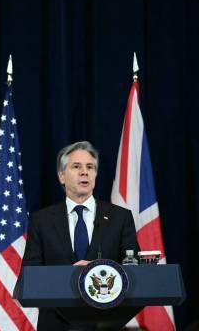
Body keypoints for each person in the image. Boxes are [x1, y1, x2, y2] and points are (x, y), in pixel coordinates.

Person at [21, 141, 139, 330]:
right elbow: (30, 275)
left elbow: (134, 269)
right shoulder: (41, 220)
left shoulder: (120, 217)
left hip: (105, 323)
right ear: (61, 176)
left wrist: (98, 269)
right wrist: (70, 275)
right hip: (56, 324)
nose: (85, 172)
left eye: (90, 167)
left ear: (95, 174)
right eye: (76, 166)